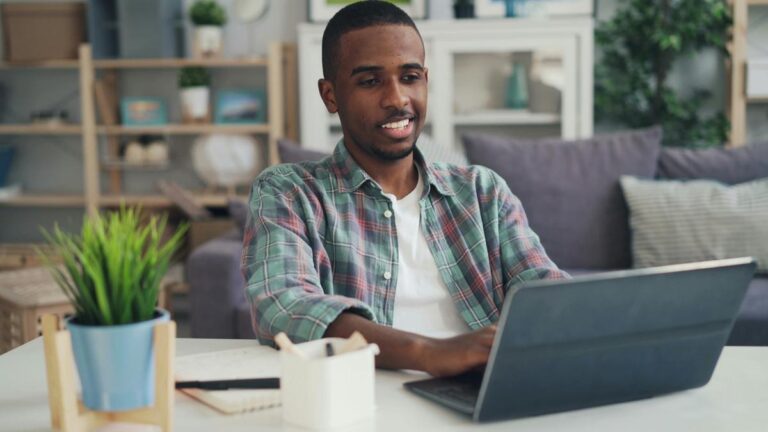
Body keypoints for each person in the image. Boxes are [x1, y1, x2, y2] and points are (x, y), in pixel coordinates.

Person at [242, 0, 568, 377]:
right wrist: (429, 352)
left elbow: (546, 293)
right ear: (330, 96)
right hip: (363, 395)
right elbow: (284, 306)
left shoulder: (483, 192)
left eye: (410, 77)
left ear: (425, 80)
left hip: (482, 390)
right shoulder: (289, 193)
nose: (397, 99)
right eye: (370, 81)